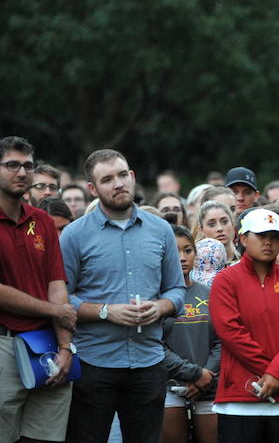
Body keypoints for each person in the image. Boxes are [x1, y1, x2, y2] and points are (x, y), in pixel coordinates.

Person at [61, 149, 185, 442]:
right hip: (94, 363)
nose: (117, 184)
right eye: (107, 179)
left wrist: (161, 307)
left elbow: (177, 289)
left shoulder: (161, 230)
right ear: (92, 188)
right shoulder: (73, 235)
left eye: (121, 175)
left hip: (149, 362)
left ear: (132, 177)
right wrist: (106, 311)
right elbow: (61, 299)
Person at [209, 208, 279, 442]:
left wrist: (275, 374)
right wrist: (277, 374)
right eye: (261, 235)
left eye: (275, 236)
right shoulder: (225, 280)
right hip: (239, 400)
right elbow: (231, 333)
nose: (269, 242)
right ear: (243, 238)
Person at [0, 136, 76, 443]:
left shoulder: (44, 221)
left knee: (45, 438)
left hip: (47, 347)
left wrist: (65, 348)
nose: (21, 173)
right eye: (12, 165)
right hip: (3, 345)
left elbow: (56, 284)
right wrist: (55, 311)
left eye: (28, 166)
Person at [162, 226, 221, 443]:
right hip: (170, 386)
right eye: (175, 251)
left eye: (188, 250)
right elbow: (156, 345)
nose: (182, 257)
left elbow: (221, 341)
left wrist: (205, 375)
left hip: (209, 385)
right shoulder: (157, 297)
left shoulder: (210, 293)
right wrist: (193, 373)